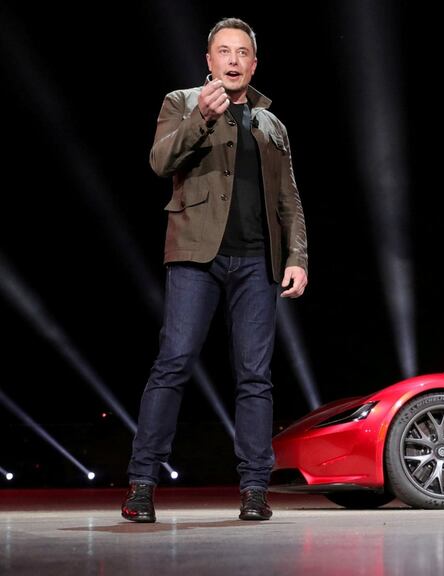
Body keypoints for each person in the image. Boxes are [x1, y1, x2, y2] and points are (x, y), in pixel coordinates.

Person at [121, 17, 308, 523]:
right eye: (222, 51)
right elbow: (160, 162)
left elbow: (289, 199)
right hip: (195, 254)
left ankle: (254, 488)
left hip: (257, 261)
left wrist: (297, 257)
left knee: (254, 376)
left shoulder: (272, 124)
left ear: (253, 62)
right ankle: (142, 483)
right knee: (175, 360)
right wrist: (201, 118)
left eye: (241, 52)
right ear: (208, 61)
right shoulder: (181, 102)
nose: (232, 60)